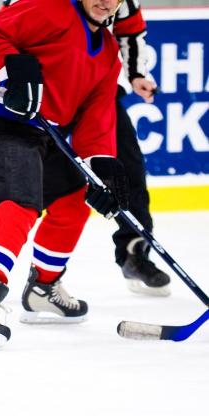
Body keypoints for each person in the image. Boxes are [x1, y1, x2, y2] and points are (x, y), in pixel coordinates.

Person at [0, 0, 170, 301]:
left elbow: (96, 120)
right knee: (19, 202)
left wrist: (101, 167)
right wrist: (13, 71)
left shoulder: (108, 54)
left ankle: (43, 287)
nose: (107, 2)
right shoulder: (52, 8)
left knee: (73, 199)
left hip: (43, 131)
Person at [113, 0, 170, 295]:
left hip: (99, 96)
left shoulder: (122, 2)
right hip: (47, 96)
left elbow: (130, 30)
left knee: (129, 171)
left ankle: (135, 251)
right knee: (30, 178)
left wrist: (135, 74)